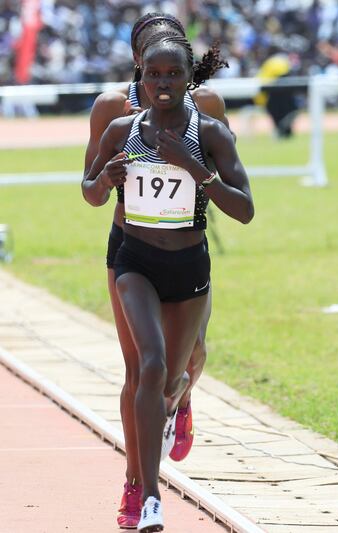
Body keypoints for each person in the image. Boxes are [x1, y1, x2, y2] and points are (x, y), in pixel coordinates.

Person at [82, 31, 254, 532]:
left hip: (188, 266)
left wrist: (194, 169)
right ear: (140, 73)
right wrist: (107, 179)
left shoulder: (210, 133)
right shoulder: (122, 127)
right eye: (153, 74)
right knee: (149, 365)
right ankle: (147, 494)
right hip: (133, 261)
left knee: (175, 377)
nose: (162, 83)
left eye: (172, 74)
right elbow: (90, 193)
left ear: (189, 78)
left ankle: (179, 405)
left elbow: (244, 209)